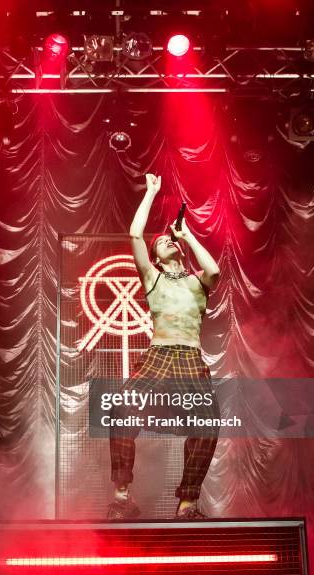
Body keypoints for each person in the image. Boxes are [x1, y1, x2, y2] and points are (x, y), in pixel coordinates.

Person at [107, 174, 220, 520]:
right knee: (122, 412)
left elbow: (214, 270)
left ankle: (187, 503)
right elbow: (135, 234)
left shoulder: (195, 282)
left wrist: (187, 236)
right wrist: (151, 193)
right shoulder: (152, 277)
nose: (167, 243)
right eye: (163, 243)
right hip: (158, 356)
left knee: (208, 424)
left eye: (171, 242)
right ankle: (122, 497)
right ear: (154, 257)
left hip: (189, 358)